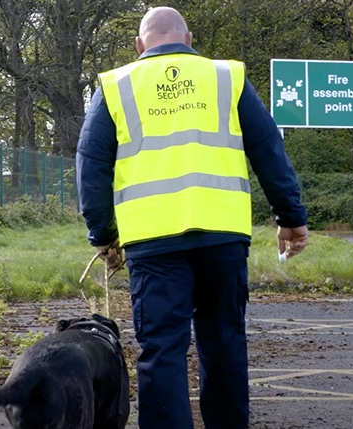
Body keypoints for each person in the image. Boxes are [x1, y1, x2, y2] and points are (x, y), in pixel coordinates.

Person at [76, 6, 308, 429]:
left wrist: (104, 234)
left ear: (139, 45)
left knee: (162, 350)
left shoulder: (115, 86)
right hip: (223, 237)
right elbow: (268, 148)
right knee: (224, 344)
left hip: (153, 242)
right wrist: (290, 216)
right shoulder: (227, 77)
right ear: (187, 39)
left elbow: (91, 166)